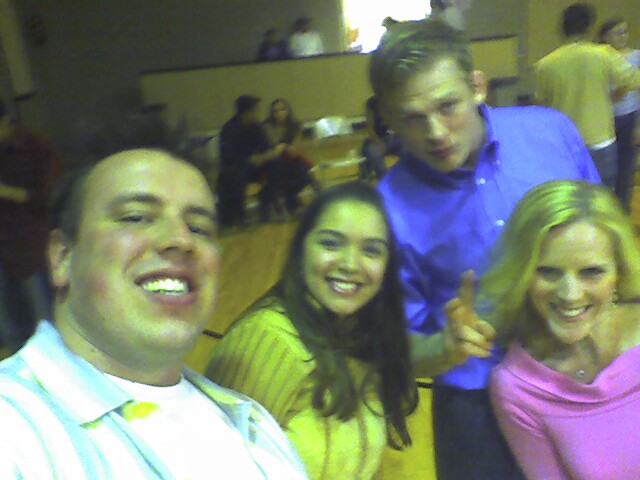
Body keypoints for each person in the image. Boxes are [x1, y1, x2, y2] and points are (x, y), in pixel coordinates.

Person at [369, 19, 601, 479]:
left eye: (447, 106)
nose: (436, 132)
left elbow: (606, 242)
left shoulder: (550, 133)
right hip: (477, 404)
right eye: (412, 118)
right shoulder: (385, 210)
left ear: (477, 86)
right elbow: (393, 347)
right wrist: (442, 348)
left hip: (586, 374)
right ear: (388, 119)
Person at [0, 144, 308, 478]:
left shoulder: (253, 422)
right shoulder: (15, 428)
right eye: (136, 217)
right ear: (63, 257)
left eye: (198, 228)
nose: (181, 240)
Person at [206, 181, 418, 480]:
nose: (350, 264)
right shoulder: (268, 339)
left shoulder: (361, 333)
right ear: (302, 248)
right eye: (331, 243)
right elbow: (218, 467)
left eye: (371, 250)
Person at [456, 180, 640, 479]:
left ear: (619, 271)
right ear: (522, 273)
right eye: (548, 272)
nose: (570, 294)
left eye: (591, 272)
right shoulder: (517, 389)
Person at [535, 3, 640, 190]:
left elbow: (541, 102)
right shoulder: (603, 54)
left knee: (570, 195)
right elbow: (634, 79)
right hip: (601, 140)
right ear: (589, 28)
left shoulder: (545, 64)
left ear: (562, 29)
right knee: (602, 196)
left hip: (566, 142)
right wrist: (616, 92)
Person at [0, 99, 61, 352]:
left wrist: (6, 192)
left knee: (43, 318)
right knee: (8, 324)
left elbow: (50, 197)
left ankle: (53, 360)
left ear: (6, 122)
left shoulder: (35, 147)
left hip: (28, 243)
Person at [217, 94, 285, 226]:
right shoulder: (229, 129)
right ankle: (241, 216)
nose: (258, 113)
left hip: (255, 165)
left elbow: (265, 146)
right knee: (238, 174)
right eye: (255, 110)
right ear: (246, 112)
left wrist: (268, 154)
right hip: (236, 167)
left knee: (276, 165)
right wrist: (250, 159)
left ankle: (265, 201)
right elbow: (229, 156)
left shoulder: (256, 126)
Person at [599, 17, 640, 211]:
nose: (623, 36)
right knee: (607, 168)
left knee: (626, 167)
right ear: (606, 37)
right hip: (605, 118)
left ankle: (623, 211)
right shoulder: (600, 57)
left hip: (629, 116)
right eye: (618, 33)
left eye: (625, 32)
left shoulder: (636, 57)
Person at [263, 98, 319, 216]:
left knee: (300, 169)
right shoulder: (268, 126)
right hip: (273, 162)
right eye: (275, 111)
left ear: (288, 110)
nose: (279, 113)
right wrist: (284, 147)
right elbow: (275, 148)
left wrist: (284, 146)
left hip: (291, 159)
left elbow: (293, 150)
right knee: (292, 169)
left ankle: (316, 199)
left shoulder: (295, 125)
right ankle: (294, 204)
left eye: (282, 109)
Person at [359, 95, 402, 181]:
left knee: (408, 149)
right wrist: (378, 142)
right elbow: (369, 127)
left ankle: (409, 178)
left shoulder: (393, 100)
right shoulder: (372, 103)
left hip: (392, 137)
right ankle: (385, 180)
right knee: (374, 152)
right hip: (375, 139)